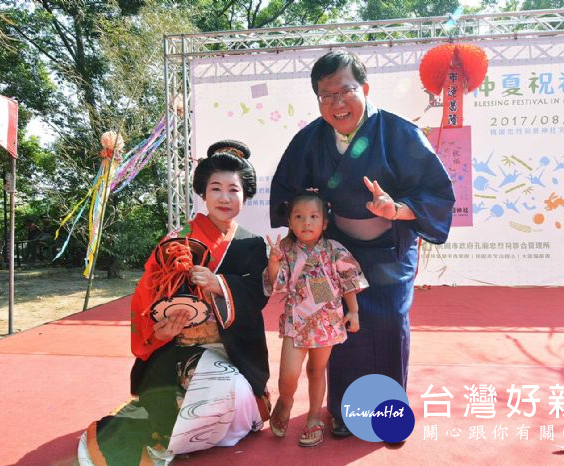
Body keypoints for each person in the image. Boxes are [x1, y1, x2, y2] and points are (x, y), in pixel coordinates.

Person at [269, 49, 455, 437]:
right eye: (326, 95)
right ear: (318, 100)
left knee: (388, 326)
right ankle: (343, 413)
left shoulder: (399, 133)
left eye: (345, 91)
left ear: (366, 88)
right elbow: (289, 193)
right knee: (340, 332)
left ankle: (386, 415)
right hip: (333, 255)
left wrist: (397, 209)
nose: (337, 103)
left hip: (389, 251)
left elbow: (436, 193)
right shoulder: (309, 140)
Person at [78, 140, 271, 465]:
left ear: (246, 195)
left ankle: (199, 429)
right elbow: (149, 293)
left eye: (234, 190)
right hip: (179, 348)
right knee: (206, 396)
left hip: (232, 349)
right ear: (203, 192)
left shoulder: (252, 243)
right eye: (216, 188)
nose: (224, 198)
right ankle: (179, 428)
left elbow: (256, 298)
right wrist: (162, 328)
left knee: (234, 395)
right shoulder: (177, 238)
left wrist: (221, 284)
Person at [263, 190, 368, 447]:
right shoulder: (286, 250)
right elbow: (277, 285)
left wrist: (353, 311)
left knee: (316, 371)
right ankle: (285, 402)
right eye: (299, 216)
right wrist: (274, 261)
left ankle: (313, 418)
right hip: (295, 322)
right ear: (289, 221)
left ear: (324, 222)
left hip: (326, 321)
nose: (306, 222)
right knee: (288, 374)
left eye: (313, 216)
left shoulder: (334, 250)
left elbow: (349, 281)